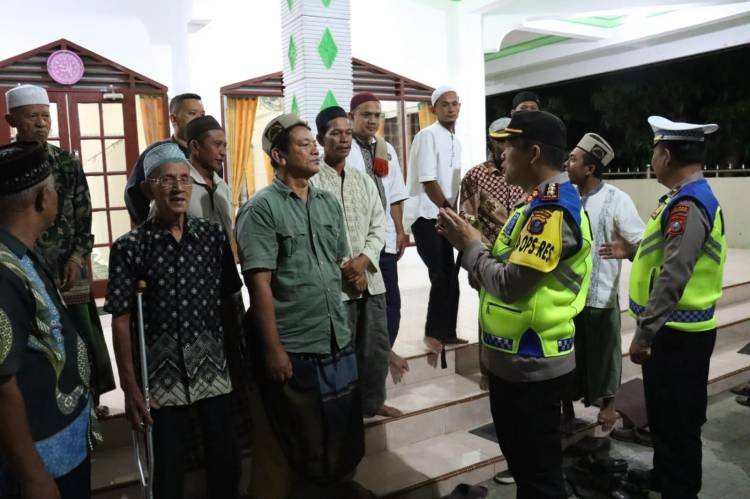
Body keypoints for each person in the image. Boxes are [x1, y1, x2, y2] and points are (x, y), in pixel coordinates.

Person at [437, 111, 593, 498]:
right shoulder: (532, 207)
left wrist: (471, 246)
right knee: (529, 474)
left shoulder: (551, 213)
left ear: (534, 153)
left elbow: (510, 283)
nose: (501, 154)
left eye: (509, 146)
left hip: (533, 365)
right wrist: (478, 253)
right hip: (516, 362)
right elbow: (501, 267)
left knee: (539, 481)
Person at [235, 114, 364, 499]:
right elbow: (259, 285)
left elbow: (334, 261)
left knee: (340, 434)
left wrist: (352, 274)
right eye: (305, 144)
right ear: (278, 155)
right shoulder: (261, 209)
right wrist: (273, 350)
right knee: (299, 440)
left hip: (335, 335)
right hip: (294, 343)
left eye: (314, 142)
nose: (315, 149)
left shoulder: (326, 203)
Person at [105, 143, 242, 499]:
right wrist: (131, 387)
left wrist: (238, 361)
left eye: (184, 179)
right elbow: (121, 320)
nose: (179, 188)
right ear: (150, 187)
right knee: (168, 469)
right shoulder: (130, 246)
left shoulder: (212, 237)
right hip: (161, 382)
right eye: (167, 180)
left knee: (226, 462)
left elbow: (230, 301)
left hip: (213, 372)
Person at [624, 116, 725, 499]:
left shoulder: (689, 204)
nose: (652, 160)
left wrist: (644, 333)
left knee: (678, 424)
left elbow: (674, 274)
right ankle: (664, 481)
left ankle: (679, 490)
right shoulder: (684, 198)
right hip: (676, 332)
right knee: (666, 420)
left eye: (654, 152)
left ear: (666, 154)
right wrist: (630, 251)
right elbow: (667, 254)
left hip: (676, 336)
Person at [4, 84, 114, 414]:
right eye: (32, 116)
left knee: (81, 329)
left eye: (45, 116)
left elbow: (84, 212)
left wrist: (79, 255)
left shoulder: (65, 161)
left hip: (70, 265)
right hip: (24, 265)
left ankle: (91, 401)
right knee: (36, 331)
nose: (41, 123)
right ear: (12, 120)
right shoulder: (6, 163)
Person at [0, 142, 93, 499]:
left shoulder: (22, 250)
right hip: (39, 463)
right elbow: (2, 385)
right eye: (55, 188)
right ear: (42, 199)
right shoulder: (4, 272)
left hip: (60, 447)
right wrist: (34, 477)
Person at [312, 106, 399, 418]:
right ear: (320, 138)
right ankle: (344, 409)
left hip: (371, 280)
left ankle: (373, 402)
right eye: (335, 133)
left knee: (374, 348)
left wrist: (364, 260)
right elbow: (316, 235)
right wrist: (348, 267)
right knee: (340, 352)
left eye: (348, 132)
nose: (344, 139)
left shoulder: (363, 180)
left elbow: (379, 224)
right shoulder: (313, 183)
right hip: (337, 285)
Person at [562, 133, 645, 430]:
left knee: (605, 355)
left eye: (574, 159)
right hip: (567, 298)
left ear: (590, 168)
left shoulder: (616, 199)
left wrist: (628, 250)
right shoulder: (565, 196)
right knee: (568, 355)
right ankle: (566, 410)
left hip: (601, 296)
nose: (567, 164)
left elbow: (644, 243)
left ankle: (608, 407)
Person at [346, 92, 410, 380]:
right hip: (357, 244)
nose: (372, 120)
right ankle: (366, 368)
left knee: (390, 304)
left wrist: (399, 229)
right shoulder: (344, 150)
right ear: (352, 117)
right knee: (363, 307)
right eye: (365, 114)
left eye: (376, 115)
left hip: (383, 241)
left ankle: (382, 354)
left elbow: (395, 194)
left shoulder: (387, 149)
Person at [404, 86, 465, 354]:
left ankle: (448, 332)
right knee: (440, 274)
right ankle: (433, 333)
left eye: (455, 104)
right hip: (426, 215)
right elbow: (427, 180)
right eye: (445, 104)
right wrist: (447, 209)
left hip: (445, 214)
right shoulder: (427, 136)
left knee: (451, 274)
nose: (451, 108)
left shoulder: (456, 141)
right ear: (433, 109)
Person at [125, 93, 205, 224]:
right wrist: (145, 225)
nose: (199, 119)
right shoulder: (158, 152)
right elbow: (133, 193)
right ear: (173, 119)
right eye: (192, 113)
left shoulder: (206, 154)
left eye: (202, 115)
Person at [459, 117, 525, 244]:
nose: (508, 146)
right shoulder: (475, 176)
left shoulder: (527, 175)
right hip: (486, 254)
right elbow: (468, 219)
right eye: (501, 140)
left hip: (522, 253)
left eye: (512, 140)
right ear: (490, 145)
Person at [183, 115, 233, 236]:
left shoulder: (222, 186)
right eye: (217, 144)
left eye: (224, 146)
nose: (223, 152)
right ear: (195, 146)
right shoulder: (179, 185)